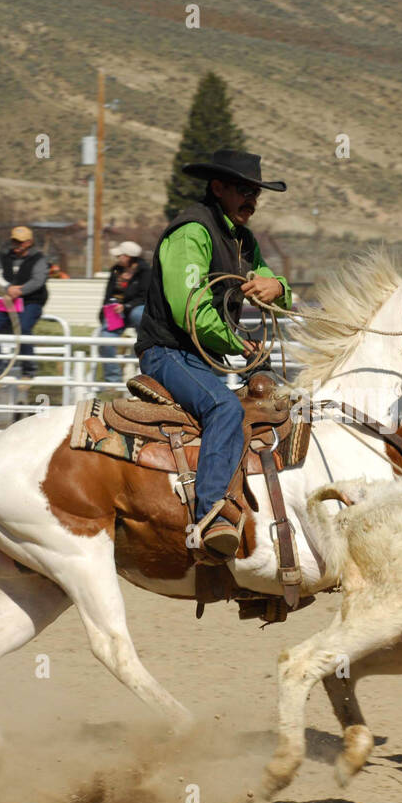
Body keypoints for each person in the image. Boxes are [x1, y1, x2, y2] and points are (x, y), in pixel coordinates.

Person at [133, 149, 291, 557]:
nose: (251, 200)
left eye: (256, 193)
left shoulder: (242, 239)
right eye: (244, 190)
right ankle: (213, 515)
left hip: (202, 358)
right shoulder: (192, 232)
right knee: (225, 408)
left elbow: (267, 277)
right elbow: (191, 310)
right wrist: (238, 344)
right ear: (217, 187)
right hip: (168, 352)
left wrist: (278, 287)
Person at [0, 226, 48, 379]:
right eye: (14, 241)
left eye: (20, 242)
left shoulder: (39, 258)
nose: (16, 245)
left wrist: (19, 291)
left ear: (29, 242)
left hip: (31, 301)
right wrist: (8, 288)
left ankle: (28, 371)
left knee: (23, 329)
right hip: (5, 300)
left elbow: (38, 280)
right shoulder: (3, 255)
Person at [96, 240, 149, 382]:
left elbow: (145, 296)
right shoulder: (115, 271)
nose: (118, 258)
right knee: (105, 337)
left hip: (134, 308)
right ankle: (113, 379)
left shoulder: (145, 271)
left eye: (120, 255)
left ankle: (146, 342)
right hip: (116, 312)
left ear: (128, 257)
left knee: (139, 313)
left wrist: (126, 306)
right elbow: (108, 294)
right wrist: (104, 314)